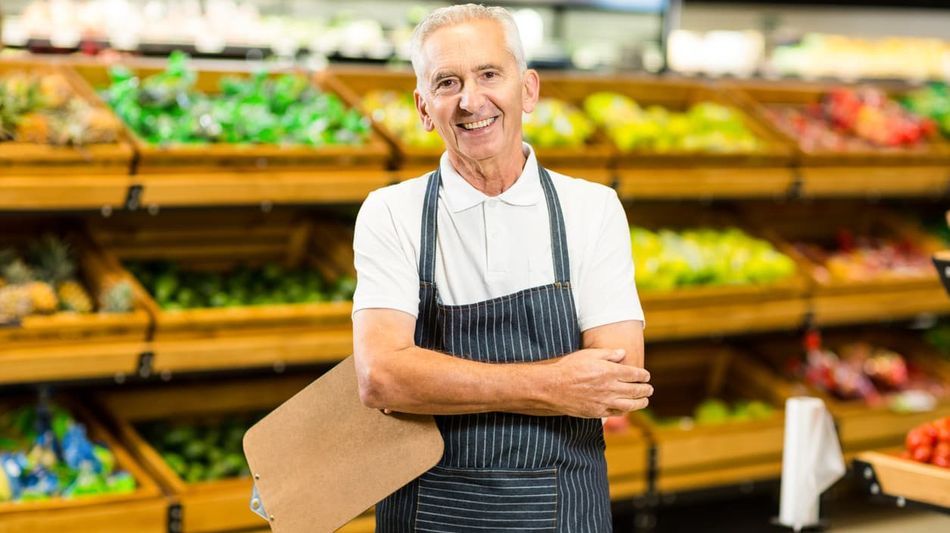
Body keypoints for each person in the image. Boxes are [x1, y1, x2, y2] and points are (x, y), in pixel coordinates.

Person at [351, 4, 651, 531]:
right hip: (426, 510)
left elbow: (615, 381)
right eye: (448, 82)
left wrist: (436, 378)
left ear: (528, 90)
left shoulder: (592, 208)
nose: (471, 101)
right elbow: (380, 376)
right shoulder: (390, 212)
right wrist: (554, 384)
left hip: (564, 509)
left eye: (490, 74)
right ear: (424, 108)